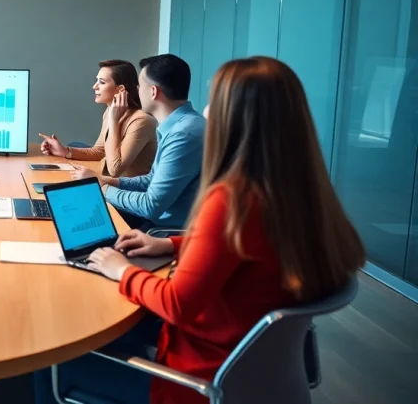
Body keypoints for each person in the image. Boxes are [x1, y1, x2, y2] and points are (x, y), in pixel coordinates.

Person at [37, 56, 366, 404]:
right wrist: (174, 245)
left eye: (215, 100)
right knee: (119, 325)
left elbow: (177, 305)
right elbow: (247, 246)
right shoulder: (297, 193)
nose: (205, 111)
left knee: (50, 356)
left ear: (233, 118)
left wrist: (122, 270)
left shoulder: (230, 199)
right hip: (252, 368)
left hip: (198, 381)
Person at [73, 54, 205, 229]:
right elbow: (152, 180)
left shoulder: (183, 135)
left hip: (162, 229)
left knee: (81, 219)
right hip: (157, 219)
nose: (135, 89)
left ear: (153, 91)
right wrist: (105, 180)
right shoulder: (183, 124)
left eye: (139, 85)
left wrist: (102, 188)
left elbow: (150, 206)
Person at [40, 59, 157, 178]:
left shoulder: (141, 121)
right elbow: (99, 152)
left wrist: (113, 121)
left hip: (128, 192)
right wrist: (65, 151)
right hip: (108, 182)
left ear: (120, 89)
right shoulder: (110, 112)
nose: (94, 86)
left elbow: (115, 170)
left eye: (101, 82)